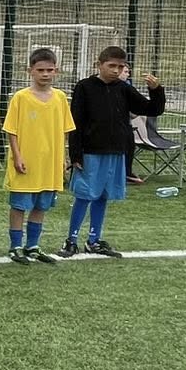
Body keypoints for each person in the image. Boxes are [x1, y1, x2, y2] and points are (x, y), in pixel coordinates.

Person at [62, 46, 164, 258]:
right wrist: (76, 154)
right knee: (84, 195)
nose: (116, 70)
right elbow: (76, 122)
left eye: (120, 66)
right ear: (99, 64)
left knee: (103, 196)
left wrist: (156, 91)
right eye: (111, 66)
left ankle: (93, 240)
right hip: (90, 152)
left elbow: (153, 109)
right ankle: (71, 240)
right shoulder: (84, 87)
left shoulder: (124, 88)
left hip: (116, 152)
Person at [4, 48, 73, 265]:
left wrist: (64, 157)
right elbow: (11, 130)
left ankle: (32, 245)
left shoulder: (60, 98)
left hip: (49, 163)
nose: (45, 74)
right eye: (40, 70)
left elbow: (65, 130)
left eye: (49, 70)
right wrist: (17, 156)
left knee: (41, 205)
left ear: (56, 71)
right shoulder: (21, 98)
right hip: (26, 161)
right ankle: (15, 246)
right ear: (30, 71)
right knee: (19, 205)